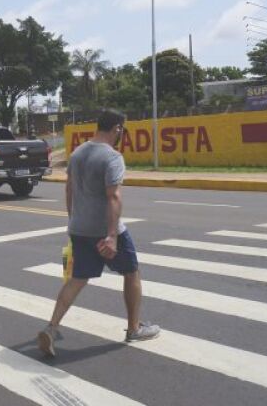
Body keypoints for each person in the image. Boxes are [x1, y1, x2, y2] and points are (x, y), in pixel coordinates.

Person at [37, 109, 160, 357]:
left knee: (78, 278)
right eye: (121, 130)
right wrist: (112, 236)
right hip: (105, 231)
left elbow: (69, 191)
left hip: (80, 228)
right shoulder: (112, 157)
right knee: (131, 271)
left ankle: (51, 328)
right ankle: (134, 329)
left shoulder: (78, 153)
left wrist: (73, 222)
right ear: (117, 129)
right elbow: (113, 196)